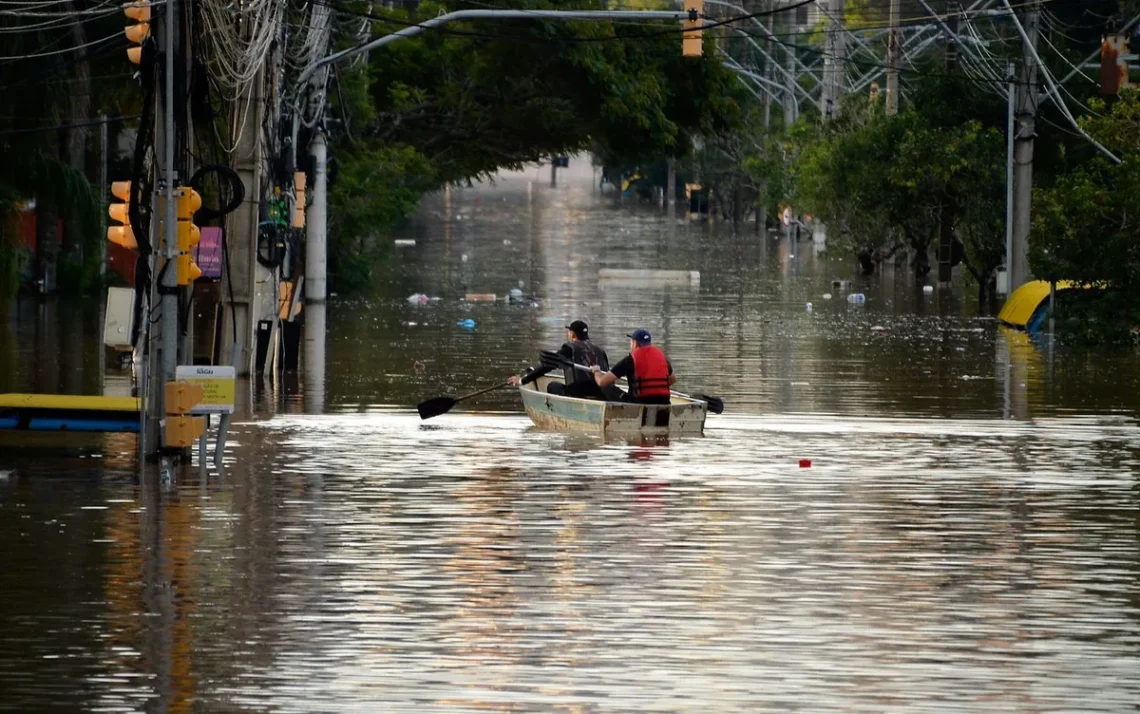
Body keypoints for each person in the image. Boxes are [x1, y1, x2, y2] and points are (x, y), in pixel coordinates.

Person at [507, 320, 618, 400]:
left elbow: (548, 365)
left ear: (572, 334)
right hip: (602, 392)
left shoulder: (569, 348)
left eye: (569, 331)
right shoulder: (600, 351)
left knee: (552, 386)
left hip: (577, 392)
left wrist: (523, 380)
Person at [591, 328, 676, 405]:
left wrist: (596, 371)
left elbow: (602, 382)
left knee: (606, 387)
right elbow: (672, 380)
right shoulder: (661, 357)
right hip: (664, 401)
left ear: (635, 343)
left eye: (631, 342)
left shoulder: (630, 360)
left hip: (638, 403)